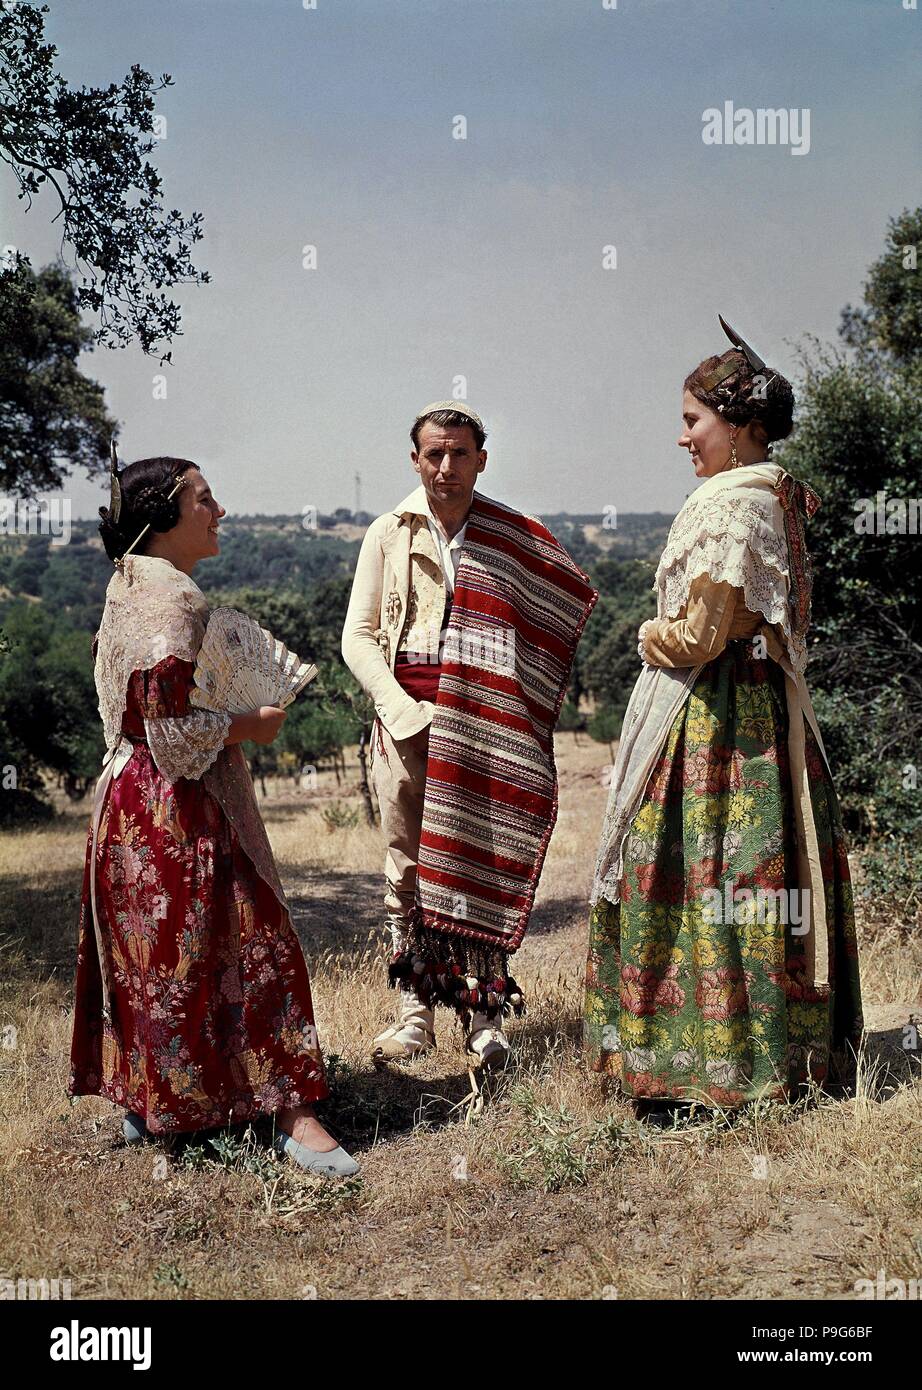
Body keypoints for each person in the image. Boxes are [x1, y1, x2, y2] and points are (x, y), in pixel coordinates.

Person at [583, 320, 863, 1117]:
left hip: (720, 719)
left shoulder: (735, 509)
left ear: (740, 429)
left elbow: (702, 633)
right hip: (760, 707)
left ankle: (714, 1065)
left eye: (693, 422)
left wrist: (646, 633)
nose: (682, 439)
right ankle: (766, 1051)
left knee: (710, 869)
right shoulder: (770, 493)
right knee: (750, 879)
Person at [69, 451, 358, 1177]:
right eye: (203, 498)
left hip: (124, 799)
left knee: (158, 958)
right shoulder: (177, 603)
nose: (218, 509)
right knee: (254, 942)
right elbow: (173, 731)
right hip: (182, 802)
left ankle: (161, 1101)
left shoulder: (128, 582)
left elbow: (134, 718)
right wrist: (254, 723)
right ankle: (293, 1113)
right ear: (163, 519)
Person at [342, 402, 597, 1069]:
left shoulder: (512, 538)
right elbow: (359, 636)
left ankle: (484, 1018)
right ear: (416, 459)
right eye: (434, 454)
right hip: (406, 726)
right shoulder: (387, 533)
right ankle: (414, 1015)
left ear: (481, 459)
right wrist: (402, 711)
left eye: (459, 454)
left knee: (476, 865)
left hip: (484, 732)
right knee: (407, 874)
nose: (446, 467)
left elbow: (554, 611)